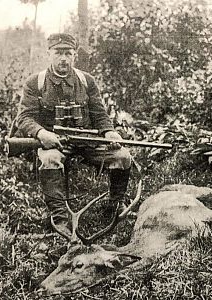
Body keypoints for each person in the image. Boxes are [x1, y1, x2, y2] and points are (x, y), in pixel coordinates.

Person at [15, 33, 131, 235]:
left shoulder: (86, 81)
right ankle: (59, 218)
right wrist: (42, 133)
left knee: (122, 157)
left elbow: (99, 113)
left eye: (68, 53)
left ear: (74, 55)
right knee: (50, 160)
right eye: (58, 53)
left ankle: (115, 204)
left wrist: (110, 132)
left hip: (87, 142)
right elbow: (24, 118)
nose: (63, 58)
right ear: (48, 53)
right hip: (54, 143)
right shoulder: (36, 83)